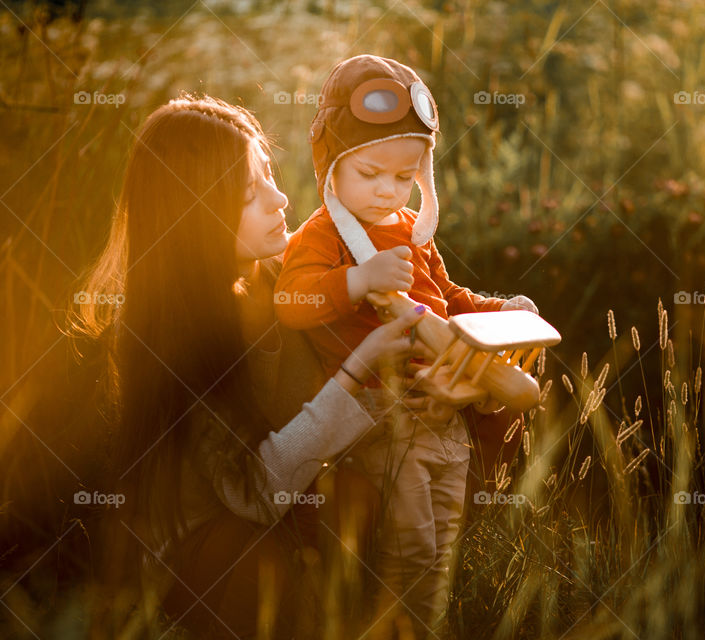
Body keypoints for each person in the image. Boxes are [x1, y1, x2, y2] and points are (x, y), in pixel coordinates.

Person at [70, 94, 430, 639]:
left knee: (358, 498)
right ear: (194, 215)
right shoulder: (173, 336)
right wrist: (357, 371)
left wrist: (421, 378)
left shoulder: (290, 283)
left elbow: (331, 410)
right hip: (208, 542)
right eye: (248, 193)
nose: (281, 198)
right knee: (256, 568)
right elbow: (255, 493)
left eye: (269, 175)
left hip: (284, 505)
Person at [274, 54, 537, 637]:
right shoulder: (322, 237)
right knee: (410, 550)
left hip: (445, 415)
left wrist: (503, 311)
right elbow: (291, 303)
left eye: (404, 177)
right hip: (380, 414)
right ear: (332, 166)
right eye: (370, 174)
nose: (387, 191)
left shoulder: (407, 231)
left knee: (443, 547)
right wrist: (358, 282)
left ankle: (419, 627)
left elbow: (446, 296)